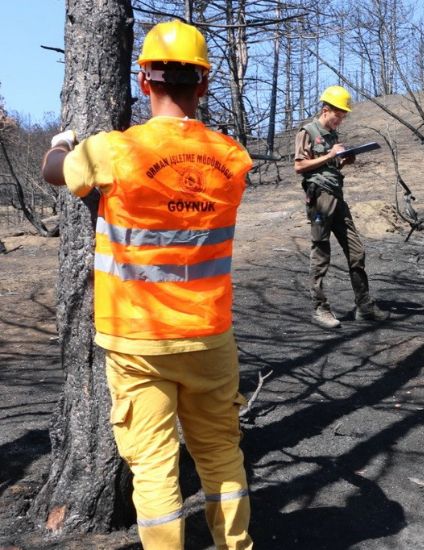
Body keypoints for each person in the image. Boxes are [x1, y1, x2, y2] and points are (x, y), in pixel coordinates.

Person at [41, 20, 253, 549]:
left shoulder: (114, 151)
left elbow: (53, 171)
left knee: (155, 470)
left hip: (136, 339)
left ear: (143, 82)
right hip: (208, 334)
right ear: (203, 85)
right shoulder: (233, 158)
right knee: (221, 453)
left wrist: (63, 143)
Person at [294, 86, 386, 329]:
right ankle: (320, 308)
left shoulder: (333, 137)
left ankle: (364, 306)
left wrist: (343, 160)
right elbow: (300, 166)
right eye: (340, 115)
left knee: (356, 250)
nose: (341, 120)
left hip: (337, 196)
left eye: (344, 116)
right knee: (321, 253)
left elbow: (330, 168)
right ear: (326, 111)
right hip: (319, 199)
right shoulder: (308, 132)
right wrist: (329, 155)